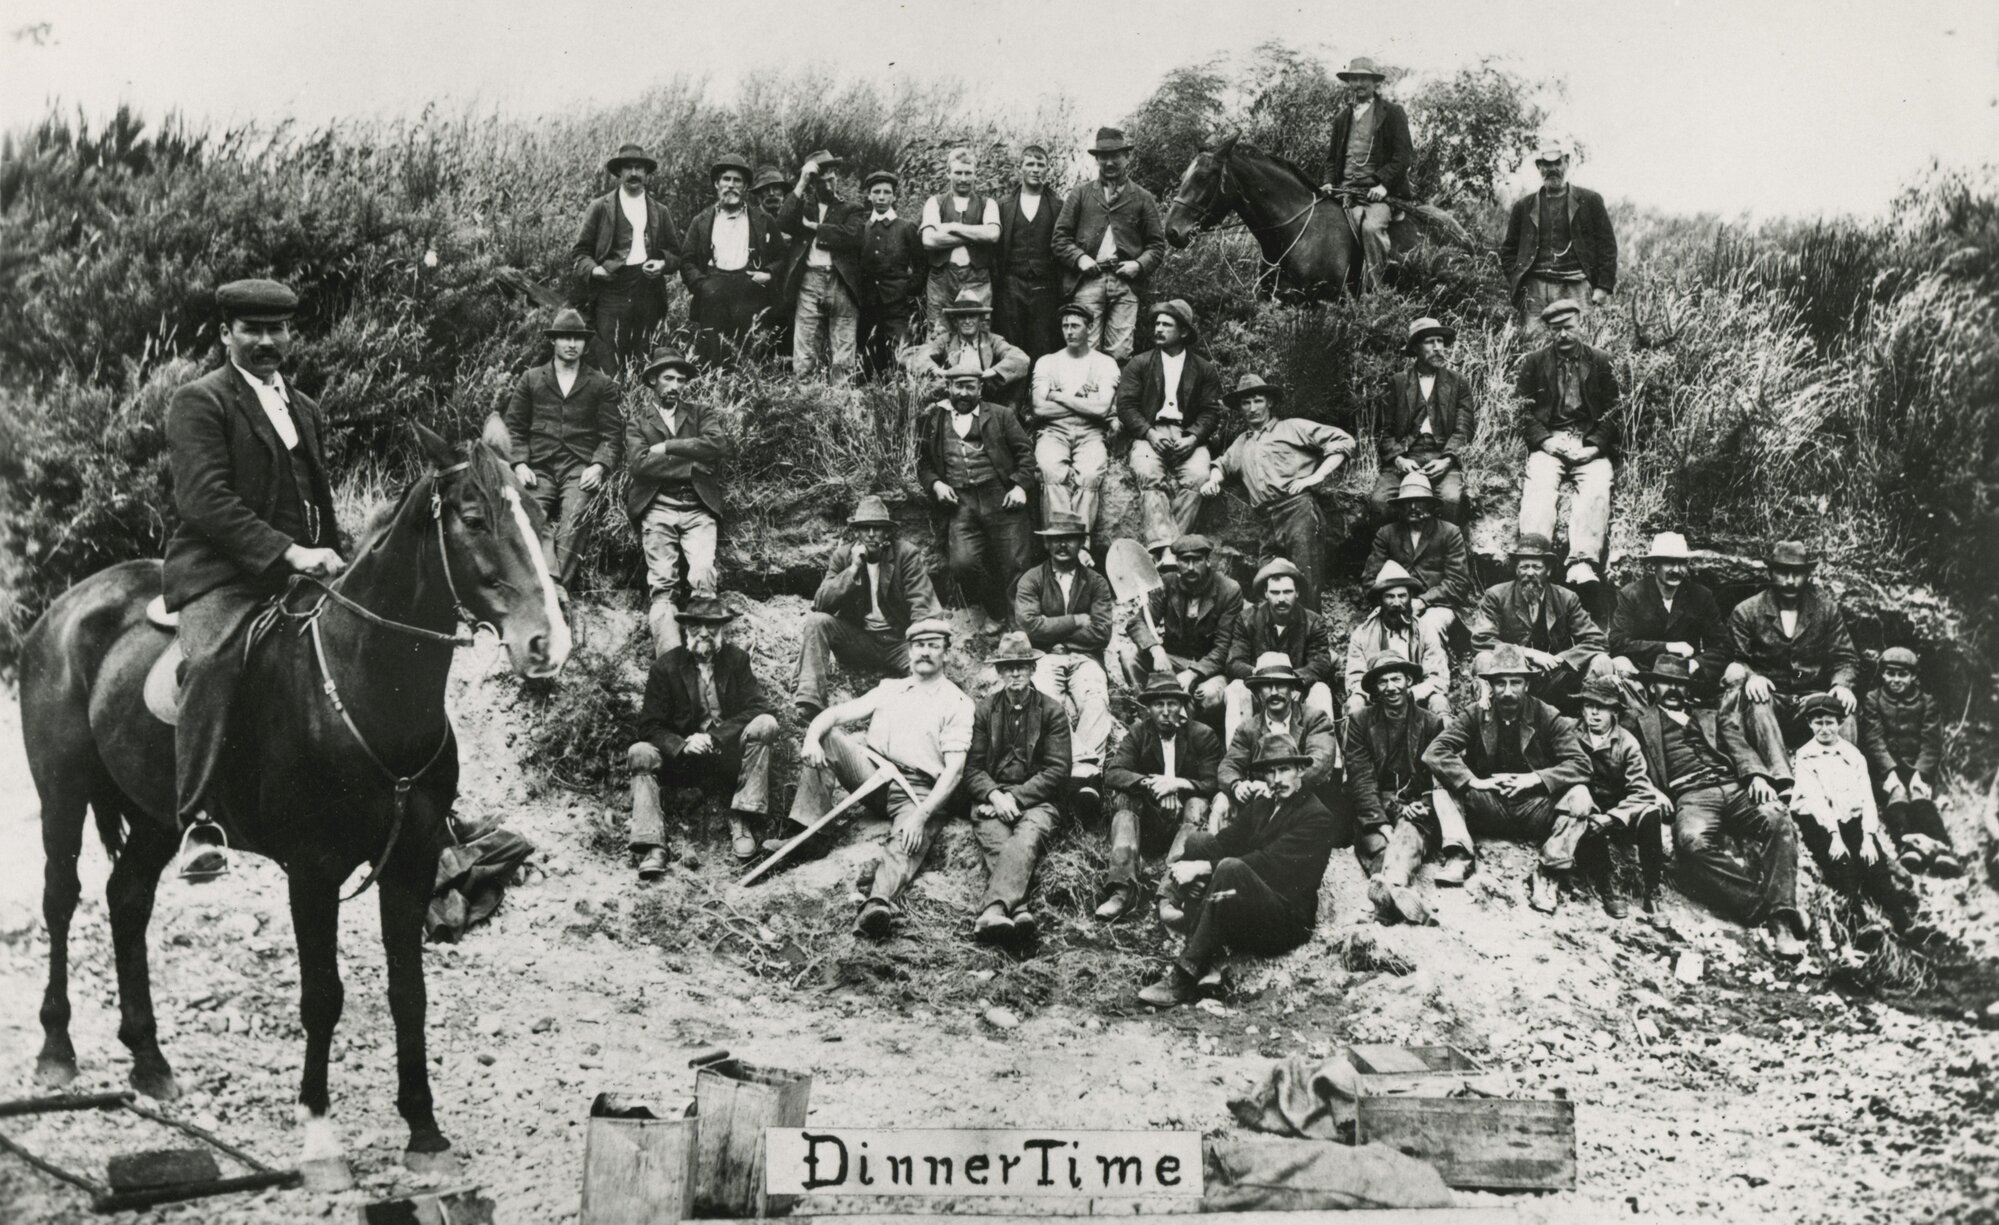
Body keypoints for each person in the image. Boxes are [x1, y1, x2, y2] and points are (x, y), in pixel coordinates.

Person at [166, 279, 344, 877]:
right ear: (226, 334)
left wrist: (334, 554)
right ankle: (197, 821)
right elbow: (203, 501)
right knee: (212, 661)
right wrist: (290, 553)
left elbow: (317, 499)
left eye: (277, 330)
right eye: (252, 329)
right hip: (223, 574)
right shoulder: (201, 400)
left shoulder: (305, 407)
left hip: (302, 573)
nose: (267, 341)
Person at [781, 619, 973, 938]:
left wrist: (922, 816)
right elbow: (835, 715)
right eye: (918, 646)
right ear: (909, 651)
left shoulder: (958, 703)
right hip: (876, 775)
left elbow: (954, 772)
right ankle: (809, 833)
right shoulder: (890, 689)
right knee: (829, 738)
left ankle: (877, 903)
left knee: (908, 838)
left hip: (920, 791)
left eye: (933, 646)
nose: (924, 652)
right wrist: (811, 739)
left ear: (946, 654)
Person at [1137, 733, 1336, 1008]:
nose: (1277, 779)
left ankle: (1184, 977)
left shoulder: (1317, 816)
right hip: (1248, 906)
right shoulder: (1264, 805)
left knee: (1230, 868)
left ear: (1301, 770)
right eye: (1270, 771)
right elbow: (1225, 843)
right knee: (1199, 841)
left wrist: (1202, 869)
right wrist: (1194, 862)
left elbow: (1269, 863)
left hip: (1284, 920)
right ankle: (1208, 945)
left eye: (1285, 769)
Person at [1627, 655, 1806, 960]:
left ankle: (1782, 924)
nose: (1672, 689)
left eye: (1680, 684)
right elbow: (1626, 757)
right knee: (1690, 842)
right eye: (1665, 682)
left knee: (1777, 816)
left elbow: (1740, 747)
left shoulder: (1710, 716)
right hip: (1691, 793)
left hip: (1734, 787)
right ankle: (1761, 907)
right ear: (1652, 686)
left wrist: (1756, 776)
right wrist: (1650, 790)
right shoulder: (1639, 721)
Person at [1423, 643, 1594, 902]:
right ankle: (1459, 855)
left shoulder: (1547, 715)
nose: (1508, 691)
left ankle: (1548, 871)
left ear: (1527, 685)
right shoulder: (1476, 713)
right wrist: (1475, 782)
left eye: (1516, 683)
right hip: (1489, 806)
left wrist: (1534, 779)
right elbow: (1435, 752)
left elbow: (1581, 765)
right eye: (1500, 683)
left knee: (1580, 796)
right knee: (1442, 777)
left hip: (1535, 809)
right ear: (1491, 686)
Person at [626, 598, 778, 874]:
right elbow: (649, 726)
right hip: (683, 762)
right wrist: (682, 744)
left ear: (722, 629)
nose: (704, 632)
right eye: (696, 625)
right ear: (686, 629)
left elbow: (760, 707)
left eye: (712, 626)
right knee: (640, 751)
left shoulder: (736, 660)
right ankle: (653, 844)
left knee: (766, 724)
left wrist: (718, 736)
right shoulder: (665, 668)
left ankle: (741, 816)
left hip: (728, 756)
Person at [1202, 373, 1356, 607]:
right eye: (1246, 402)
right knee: (1265, 586)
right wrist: (1213, 480)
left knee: (1306, 582)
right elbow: (1221, 465)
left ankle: (1310, 639)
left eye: (1258, 400)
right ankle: (1272, 641)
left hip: (1298, 511)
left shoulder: (1292, 428)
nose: (1252, 408)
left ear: (1270, 402)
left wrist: (1317, 476)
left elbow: (1343, 440)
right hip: (1266, 521)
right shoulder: (1241, 442)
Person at [501, 306, 623, 591]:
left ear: (585, 343)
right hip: (538, 467)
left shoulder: (600, 384)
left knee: (575, 516)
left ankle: (556, 588)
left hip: (578, 467)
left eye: (578, 338)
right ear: (552, 341)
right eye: (565, 337)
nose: (571, 344)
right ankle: (532, 586)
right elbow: (514, 428)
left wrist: (599, 465)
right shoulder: (531, 379)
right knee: (528, 516)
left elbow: (612, 434)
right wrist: (519, 464)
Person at [964, 632, 1074, 945]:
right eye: (1008, 666)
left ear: (1033, 669)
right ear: (999, 672)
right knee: (996, 839)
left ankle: (995, 908)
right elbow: (971, 769)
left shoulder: (1051, 710)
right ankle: (1020, 910)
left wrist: (1015, 797)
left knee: (1026, 837)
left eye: (1022, 666)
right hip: (992, 798)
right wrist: (995, 795)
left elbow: (1058, 770)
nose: (1015, 673)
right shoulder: (985, 710)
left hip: (1037, 800)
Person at [1792, 693, 1925, 946]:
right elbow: (1816, 800)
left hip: (1850, 817)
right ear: (1810, 724)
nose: (1824, 728)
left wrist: (1868, 836)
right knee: (1843, 866)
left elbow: (1866, 798)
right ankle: (1858, 926)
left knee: (1874, 865)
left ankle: (1904, 923)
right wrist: (1834, 836)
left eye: (1829, 722)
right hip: (1819, 822)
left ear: (1840, 723)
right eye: (1818, 722)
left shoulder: (1853, 755)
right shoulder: (1805, 756)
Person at [1723, 541, 1862, 782]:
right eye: (1782, 572)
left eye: (1797, 573)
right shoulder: (1747, 611)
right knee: (1758, 699)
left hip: (1811, 699)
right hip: (1770, 703)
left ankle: (1843, 779)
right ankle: (1781, 778)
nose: (1790, 580)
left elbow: (1845, 657)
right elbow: (1735, 658)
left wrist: (1841, 685)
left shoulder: (1825, 610)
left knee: (1844, 707)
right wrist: (1752, 676)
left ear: (1808, 574)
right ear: (1770, 573)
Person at [793, 496, 943, 717]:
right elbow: (821, 603)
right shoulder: (843, 557)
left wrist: (918, 647)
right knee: (816, 622)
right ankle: (809, 700)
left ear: (887, 533)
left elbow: (922, 605)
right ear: (857, 533)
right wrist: (853, 569)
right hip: (860, 640)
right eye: (865, 529)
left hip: (899, 642)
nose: (871, 534)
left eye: (878, 528)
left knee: (931, 682)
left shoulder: (905, 555)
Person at [916, 359, 1037, 629]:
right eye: (957, 386)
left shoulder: (1001, 414)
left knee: (1016, 565)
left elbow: (1026, 455)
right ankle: (995, 612)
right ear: (948, 386)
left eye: (969, 387)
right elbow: (922, 464)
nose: (963, 393)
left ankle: (1019, 632)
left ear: (980, 389)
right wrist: (936, 483)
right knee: (963, 564)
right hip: (961, 503)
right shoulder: (934, 419)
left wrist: (1019, 486)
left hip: (1001, 498)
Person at [1515, 299, 1622, 585]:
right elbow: (1522, 409)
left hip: (1587, 438)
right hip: (1551, 439)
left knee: (1598, 485)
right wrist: (1546, 442)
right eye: (1556, 329)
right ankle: (1534, 558)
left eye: (1568, 328)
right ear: (1548, 331)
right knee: (1538, 484)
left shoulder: (1601, 361)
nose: (1562, 335)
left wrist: (1595, 448)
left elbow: (1616, 411)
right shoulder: (1535, 362)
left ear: (1580, 327)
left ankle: (1583, 563)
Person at [1100, 675, 1223, 923]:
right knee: (1125, 799)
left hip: (1185, 824)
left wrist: (1177, 784)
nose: (1166, 712)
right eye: (1159, 705)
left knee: (1199, 804)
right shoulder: (1138, 733)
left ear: (1182, 707)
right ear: (1149, 708)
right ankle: (1122, 890)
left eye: (1172, 704)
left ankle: (1170, 895)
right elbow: (1114, 772)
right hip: (1148, 823)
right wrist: (1152, 785)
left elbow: (1212, 783)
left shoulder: (1202, 735)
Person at [1013, 512, 1116, 800]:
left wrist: (1054, 628)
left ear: (1081, 542)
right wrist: (1075, 621)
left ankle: (1081, 778)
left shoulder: (1097, 583)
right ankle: (1081, 768)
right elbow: (1030, 626)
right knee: (1046, 702)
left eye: (1069, 539)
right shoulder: (1032, 579)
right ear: (1046, 544)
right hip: (1045, 657)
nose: (1062, 546)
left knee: (1095, 699)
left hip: (1086, 658)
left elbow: (1101, 634)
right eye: (1056, 540)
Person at [1345, 652, 1449, 926]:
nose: (1390, 687)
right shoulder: (1360, 722)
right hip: (1375, 805)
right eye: (1382, 682)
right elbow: (1360, 779)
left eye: (1396, 679)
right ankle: (1403, 895)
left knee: (1407, 833)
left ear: (1409, 681)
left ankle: (1384, 906)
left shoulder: (1430, 723)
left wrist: (1422, 805)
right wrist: (1379, 823)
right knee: (1378, 846)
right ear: (1375, 689)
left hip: (1413, 804)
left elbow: (1437, 778)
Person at [1053, 127, 1167, 359]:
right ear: (1097, 160)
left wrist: (1138, 265)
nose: (1109, 162)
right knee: (1084, 348)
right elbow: (1059, 239)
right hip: (1087, 282)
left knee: (1121, 352)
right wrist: (1080, 258)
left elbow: (1156, 246)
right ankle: (1081, 396)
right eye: (1103, 157)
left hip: (1125, 285)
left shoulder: (1142, 198)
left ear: (1126, 157)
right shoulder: (1081, 194)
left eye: (1115, 155)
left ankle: (1114, 396)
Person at [1116, 300, 1223, 544]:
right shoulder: (1140, 363)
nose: (1158, 329)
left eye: (1166, 324)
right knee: (1148, 472)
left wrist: (1194, 438)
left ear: (1183, 332)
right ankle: (1165, 548)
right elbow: (1126, 406)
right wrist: (1150, 433)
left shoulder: (1203, 369)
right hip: (1150, 432)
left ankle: (1171, 548)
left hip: (1188, 434)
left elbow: (1210, 412)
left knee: (1197, 476)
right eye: (1157, 324)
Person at [570, 143, 681, 371]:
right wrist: (596, 270)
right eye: (628, 168)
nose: (633, 173)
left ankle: (638, 401)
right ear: (619, 173)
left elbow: (677, 254)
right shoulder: (600, 207)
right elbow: (580, 253)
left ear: (646, 174)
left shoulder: (660, 211)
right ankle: (611, 400)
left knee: (643, 352)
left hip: (647, 289)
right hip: (611, 290)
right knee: (609, 355)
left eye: (639, 168)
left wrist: (661, 263)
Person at [1565, 677, 1669, 919]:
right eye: (1588, 705)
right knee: (1587, 814)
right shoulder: (1570, 731)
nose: (1594, 713)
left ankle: (1652, 891)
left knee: (1650, 814)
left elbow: (1642, 791)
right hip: (1585, 805)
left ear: (1614, 711)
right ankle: (1608, 884)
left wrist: (1614, 817)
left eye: (1602, 707)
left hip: (1619, 811)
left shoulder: (1627, 743)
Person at [1469, 532, 1608, 711]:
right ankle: (1490, 719)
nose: (1529, 573)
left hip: (1555, 678)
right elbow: (1482, 640)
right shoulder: (1496, 596)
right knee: (1484, 658)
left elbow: (1597, 641)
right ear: (1516, 570)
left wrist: (1562, 659)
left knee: (1601, 660)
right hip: (1512, 675)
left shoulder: (1566, 598)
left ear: (1548, 570)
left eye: (1536, 567)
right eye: (1524, 567)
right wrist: (1529, 654)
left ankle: (1589, 724)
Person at [1500, 138, 1618, 337]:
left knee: (1578, 345)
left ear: (1567, 162)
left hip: (1576, 288)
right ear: (1539, 166)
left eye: (1557, 163)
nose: (1552, 169)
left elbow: (1607, 247)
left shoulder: (1590, 201)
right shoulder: (1524, 206)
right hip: (1535, 290)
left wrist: (1603, 287)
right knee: (1533, 346)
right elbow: (1509, 250)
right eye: (1546, 164)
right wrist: (1519, 284)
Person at [1116, 533, 1240, 720]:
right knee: (1129, 655)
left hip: (1209, 670)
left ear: (1207, 561)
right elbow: (1137, 622)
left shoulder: (1228, 590)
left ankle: (1186, 729)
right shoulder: (1167, 583)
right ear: (1177, 561)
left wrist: (1193, 673)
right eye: (1184, 561)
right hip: (1172, 663)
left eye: (1196, 560)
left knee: (1208, 696)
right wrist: (1155, 649)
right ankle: (1147, 714)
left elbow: (1223, 649)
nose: (1190, 567)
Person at [680, 153, 789, 366]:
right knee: (713, 354)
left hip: (749, 291)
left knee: (748, 353)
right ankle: (715, 395)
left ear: (746, 186)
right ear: (716, 184)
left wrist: (767, 274)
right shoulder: (701, 221)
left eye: (737, 180)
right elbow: (687, 260)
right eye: (726, 179)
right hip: (713, 292)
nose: (731, 185)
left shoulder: (762, 220)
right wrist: (702, 286)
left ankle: (747, 395)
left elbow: (781, 256)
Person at [1317, 57, 1413, 294]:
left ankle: (1376, 294)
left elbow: (1403, 156)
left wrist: (1383, 185)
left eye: (1363, 79)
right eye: (1353, 79)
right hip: (1345, 192)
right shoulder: (1342, 118)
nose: (1357, 83)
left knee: (1371, 229)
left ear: (1374, 83)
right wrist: (1329, 182)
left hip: (1377, 195)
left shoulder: (1392, 113)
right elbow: (1332, 159)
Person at [1862, 647, 1961, 877]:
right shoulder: (1873, 699)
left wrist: (1921, 773)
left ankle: (1941, 848)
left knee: (1919, 796)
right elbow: (1873, 739)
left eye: (1902, 675)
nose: (1896, 680)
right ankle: (1907, 847)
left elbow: (1931, 743)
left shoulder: (1927, 702)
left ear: (1913, 676)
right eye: (1890, 674)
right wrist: (1889, 772)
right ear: (1883, 674)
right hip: (1884, 769)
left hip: (1916, 767)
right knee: (1897, 796)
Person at [1215, 653, 1342, 830]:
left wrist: (1275, 785)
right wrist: (1237, 785)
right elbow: (1229, 766)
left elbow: (1319, 765)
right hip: (1263, 810)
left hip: (1304, 805)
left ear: (1292, 689)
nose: (1274, 692)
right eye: (1266, 686)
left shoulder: (1314, 719)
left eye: (1281, 685)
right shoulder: (1248, 729)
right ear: (1258, 692)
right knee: (1222, 801)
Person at [1029, 303, 1119, 549]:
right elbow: (1039, 408)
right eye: (1065, 326)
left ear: (1090, 328)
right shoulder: (1047, 362)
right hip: (1053, 431)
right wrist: (1084, 403)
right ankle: (1058, 542)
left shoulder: (1105, 364)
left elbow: (1102, 409)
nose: (1069, 331)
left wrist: (1060, 397)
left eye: (1075, 326)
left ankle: (1080, 546)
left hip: (1091, 433)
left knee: (1090, 474)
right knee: (1048, 469)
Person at [1371, 317, 1473, 522]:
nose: (1438, 348)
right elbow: (1384, 431)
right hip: (1406, 456)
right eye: (1430, 342)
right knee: (1380, 502)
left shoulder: (1458, 382)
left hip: (1442, 455)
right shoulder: (1397, 383)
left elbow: (1464, 428)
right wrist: (1399, 460)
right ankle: (1394, 552)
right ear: (1416, 348)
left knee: (1451, 500)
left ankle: (1444, 552)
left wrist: (1447, 460)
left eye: (1441, 341)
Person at [779, 150, 869, 381]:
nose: (829, 185)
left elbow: (854, 236)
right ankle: (806, 405)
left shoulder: (851, 208)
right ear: (813, 183)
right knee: (805, 351)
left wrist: (815, 228)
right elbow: (784, 222)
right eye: (822, 180)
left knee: (843, 353)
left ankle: (840, 406)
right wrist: (800, 183)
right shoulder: (803, 206)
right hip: (809, 281)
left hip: (842, 283)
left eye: (832, 178)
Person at [1224, 559, 1336, 741]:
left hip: (1297, 691)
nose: (1281, 599)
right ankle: (1238, 757)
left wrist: (1292, 682)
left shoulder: (1313, 622)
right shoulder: (1247, 620)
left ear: (1297, 592)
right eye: (1275, 593)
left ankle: (1329, 759)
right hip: (1259, 692)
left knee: (1321, 690)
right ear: (1266, 593)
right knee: (1236, 689)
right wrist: (1263, 679)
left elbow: (1320, 662)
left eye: (1287, 592)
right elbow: (1234, 662)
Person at [1607, 531, 1726, 694]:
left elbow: (1722, 645)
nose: (1676, 569)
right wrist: (1667, 647)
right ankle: (1638, 715)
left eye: (1682, 563)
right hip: (1643, 674)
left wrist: (1698, 663)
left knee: (1735, 672)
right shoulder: (1632, 594)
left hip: (1685, 675)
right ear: (1653, 564)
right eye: (1669, 562)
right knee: (1619, 663)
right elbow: (1618, 643)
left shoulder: (1701, 596)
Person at [1364, 472, 1477, 642]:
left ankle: (1434, 668)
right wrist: (1390, 603)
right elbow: (1370, 579)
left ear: (1431, 505)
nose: (1413, 507)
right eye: (1407, 502)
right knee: (1373, 634)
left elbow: (1458, 583)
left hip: (1436, 606)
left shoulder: (1449, 533)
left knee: (1427, 629)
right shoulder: (1386, 534)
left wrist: (1423, 601)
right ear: (1400, 507)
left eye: (1419, 501)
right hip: (1393, 604)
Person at [1344, 562, 1450, 717]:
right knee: (1354, 704)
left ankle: (1443, 742)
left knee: (1439, 702)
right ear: (1380, 600)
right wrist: (1380, 694)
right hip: (1377, 701)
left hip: (1416, 701)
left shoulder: (1426, 631)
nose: (1396, 603)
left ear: (1410, 598)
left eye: (1402, 596)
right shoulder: (1362, 634)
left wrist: (1411, 693)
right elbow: (1355, 680)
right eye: (1389, 597)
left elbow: (1437, 678)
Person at [920, 148, 1002, 335]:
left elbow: (992, 234)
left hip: (977, 279)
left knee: (979, 333)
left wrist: (952, 226)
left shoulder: (988, 204)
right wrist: (974, 235)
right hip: (941, 280)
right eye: (958, 173)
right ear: (948, 173)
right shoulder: (935, 202)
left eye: (968, 173)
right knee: (938, 334)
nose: (963, 178)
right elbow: (929, 240)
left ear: (975, 174)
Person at [901, 290, 1031, 406]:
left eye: (972, 316)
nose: (967, 321)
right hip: (954, 398)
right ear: (955, 320)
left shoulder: (992, 340)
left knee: (1017, 377)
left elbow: (1020, 358)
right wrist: (937, 370)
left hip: (986, 399)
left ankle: (1008, 419)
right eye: (962, 316)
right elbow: (911, 356)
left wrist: (991, 372)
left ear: (980, 319)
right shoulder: (945, 340)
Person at [995, 145, 1063, 361]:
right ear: (1020, 168)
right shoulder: (1003, 206)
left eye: (1040, 165)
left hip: (1045, 286)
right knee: (1011, 341)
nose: (1035, 170)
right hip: (1011, 284)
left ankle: (1038, 392)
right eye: (1030, 164)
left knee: (1042, 343)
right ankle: (1011, 394)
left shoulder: (1059, 206)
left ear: (1047, 170)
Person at [856, 169, 926, 379]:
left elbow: (922, 265)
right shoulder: (861, 229)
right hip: (867, 306)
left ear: (894, 196)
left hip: (897, 307)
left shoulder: (906, 228)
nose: (881, 197)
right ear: (868, 196)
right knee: (868, 358)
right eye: (876, 192)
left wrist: (906, 290)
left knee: (900, 359)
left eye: (887, 192)